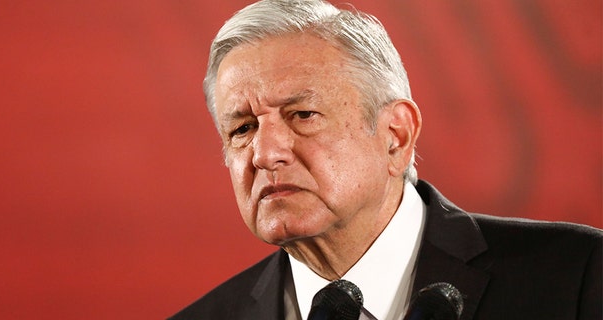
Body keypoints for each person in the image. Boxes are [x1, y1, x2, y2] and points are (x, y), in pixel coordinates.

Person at [169, 0, 602, 319]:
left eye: (303, 115)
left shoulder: (578, 278)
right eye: (243, 128)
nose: (265, 154)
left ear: (396, 136)